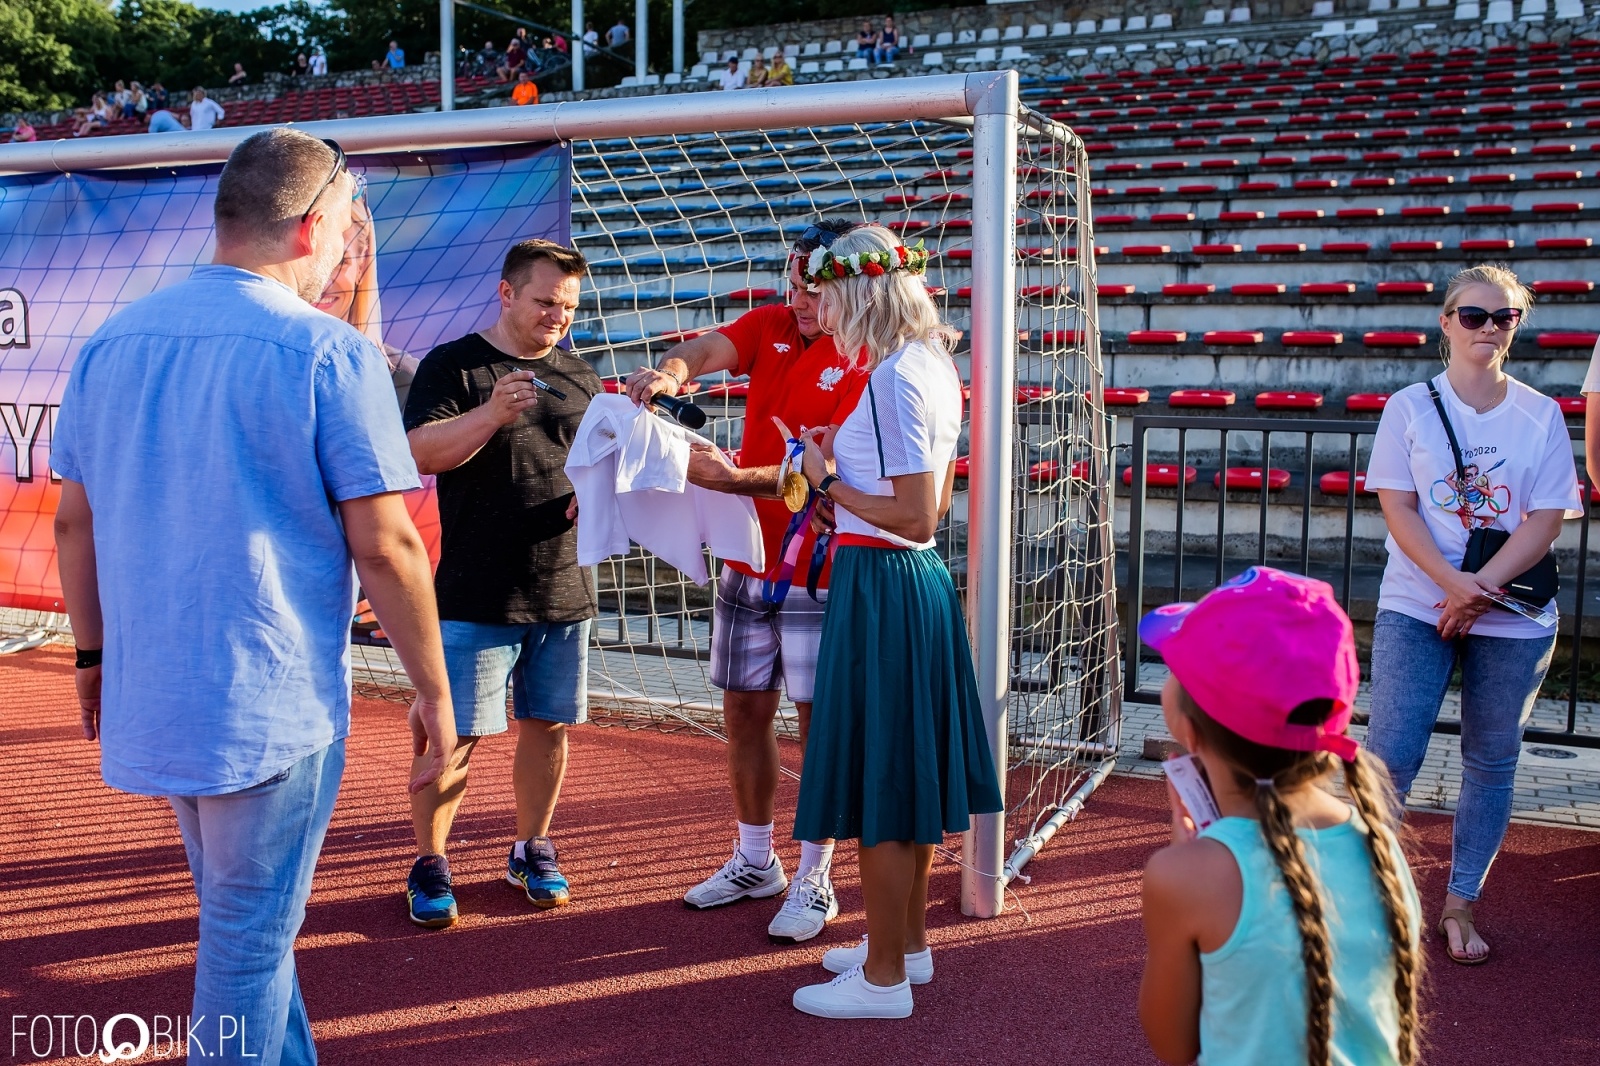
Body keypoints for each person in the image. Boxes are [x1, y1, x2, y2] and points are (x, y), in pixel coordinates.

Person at [51, 127, 456, 1066]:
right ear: (316, 228)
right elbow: (388, 543)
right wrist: (434, 691)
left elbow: (76, 525)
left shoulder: (110, 341)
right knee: (245, 944)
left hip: (156, 686)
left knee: (248, 929)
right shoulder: (326, 351)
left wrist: (91, 654)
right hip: (268, 701)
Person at [625, 220, 870, 945]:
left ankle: (815, 871)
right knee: (744, 714)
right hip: (747, 558)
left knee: (817, 723)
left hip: (816, 566)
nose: (797, 301)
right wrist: (672, 372)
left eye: (812, 289)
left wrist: (729, 479)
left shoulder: (865, 351)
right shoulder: (772, 324)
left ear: (845, 287)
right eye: (791, 286)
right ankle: (755, 859)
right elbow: (705, 350)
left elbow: (828, 480)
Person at [785, 223, 1002, 1017]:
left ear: (859, 290)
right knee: (901, 776)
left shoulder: (897, 378)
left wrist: (824, 480)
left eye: (825, 291)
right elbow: (930, 505)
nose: (817, 307)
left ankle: (883, 979)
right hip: (899, 582)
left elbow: (914, 516)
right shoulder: (926, 365)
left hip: (885, 580)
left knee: (883, 781)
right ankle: (903, 949)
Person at [1363, 264, 1579, 966]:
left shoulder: (1541, 414)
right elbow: (1398, 506)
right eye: (1474, 315)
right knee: (1392, 755)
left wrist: (1474, 589)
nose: (1489, 328)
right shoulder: (1408, 407)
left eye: (1505, 316)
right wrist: (1449, 586)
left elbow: (1546, 521)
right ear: (1446, 321)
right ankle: (1371, 901)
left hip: (1511, 610)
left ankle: (1461, 904)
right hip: (1416, 601)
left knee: (1492, 759)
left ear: (1519, 324)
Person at [1137, 567, 1422, 1065]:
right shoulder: (1379, 843)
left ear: (1189, 728)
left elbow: (1174, 1046)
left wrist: (1190, 858)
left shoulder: (1182, 876)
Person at [400, 240, 602, 929]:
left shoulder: (579, 374)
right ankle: (429, 859)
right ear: (507, 292)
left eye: (568, 307)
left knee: (549, 727)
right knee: (451, 736)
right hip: (474, 586)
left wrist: (598, 498)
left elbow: (599, 469)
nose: (557, 317)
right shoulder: (453, 364)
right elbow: (418, 453)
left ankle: (530, 846)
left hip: (562, 583)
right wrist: (490, 413)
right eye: (545, 301)